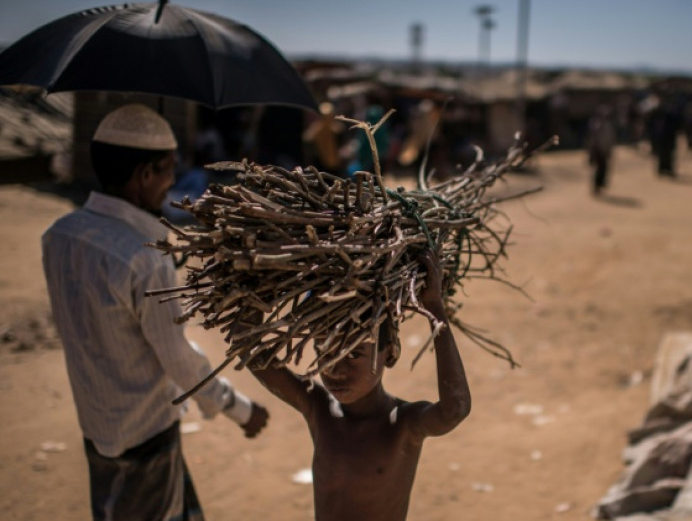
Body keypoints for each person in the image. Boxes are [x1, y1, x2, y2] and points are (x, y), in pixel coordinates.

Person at [42, 103, 270, 521]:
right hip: (145, 436)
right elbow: (178, 360)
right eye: (168, 169)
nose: (172, 181)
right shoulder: (142, 259)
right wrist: (239, 408)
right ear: (145, 174)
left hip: (96, 425)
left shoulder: (58, 236)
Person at [239, 250, 470, 521]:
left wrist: (434, 307)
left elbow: (455, 408)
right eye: (324, 352)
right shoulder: (319, 409)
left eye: (353, 354)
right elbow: (247, 346)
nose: (335, 370)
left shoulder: (402, 424)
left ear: (391, 352)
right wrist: (264, 275)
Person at [587, 105, 617, 195]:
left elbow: (610, 140)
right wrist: (593, 152)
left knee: (604, 169)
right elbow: (594, 140)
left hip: (604, 150)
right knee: (599, 169)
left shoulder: (608, 126)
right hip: (599, 151)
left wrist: (609, 150)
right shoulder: (598, 125)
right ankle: (597, 186)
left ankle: (600, 185)